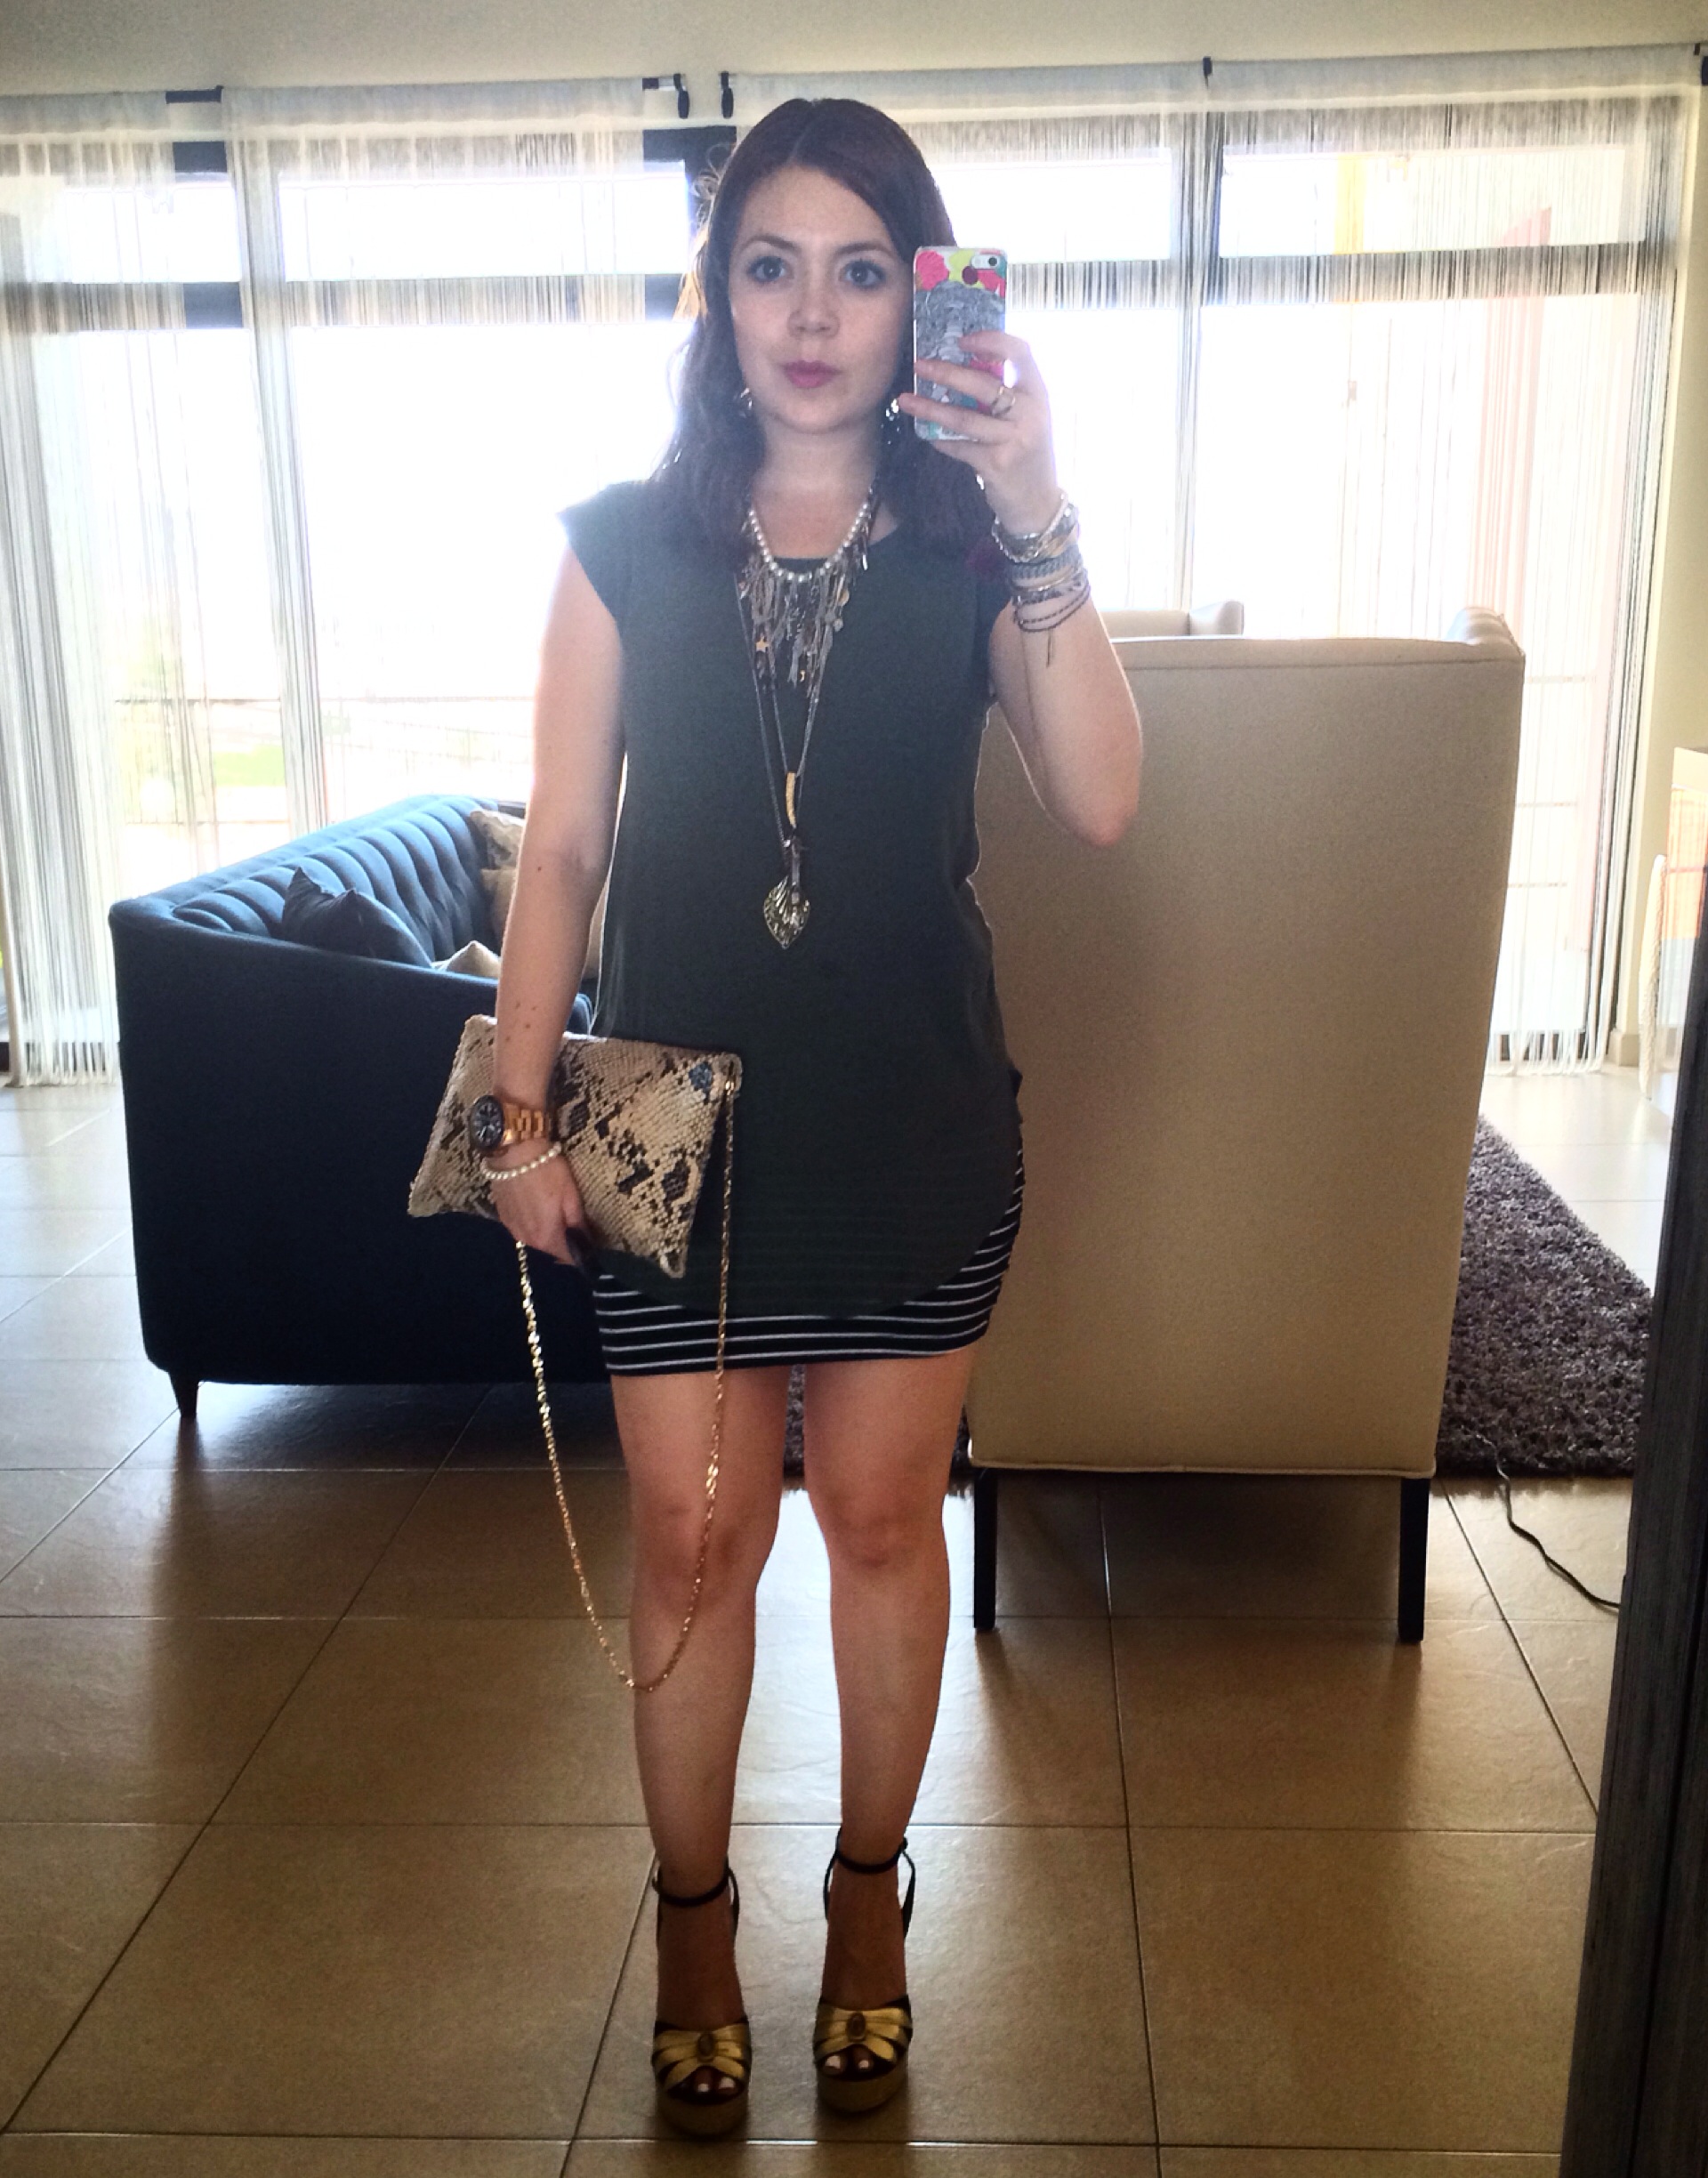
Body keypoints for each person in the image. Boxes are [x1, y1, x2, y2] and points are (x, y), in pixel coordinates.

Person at [480, 95, 1141, 2135]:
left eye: (863, 270)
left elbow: (1105, 795)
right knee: (695, 1546)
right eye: (772, 264)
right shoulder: (619, 541)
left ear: (918, 300)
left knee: (874, 1525)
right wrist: (517, 1109)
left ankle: (868, 1898)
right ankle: (692, 1924)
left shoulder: (971, 546)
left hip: (910, 1119)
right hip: (663, 1127)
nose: (814, 312)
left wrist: (1038, 495)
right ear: (720, 295)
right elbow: (562, 850)